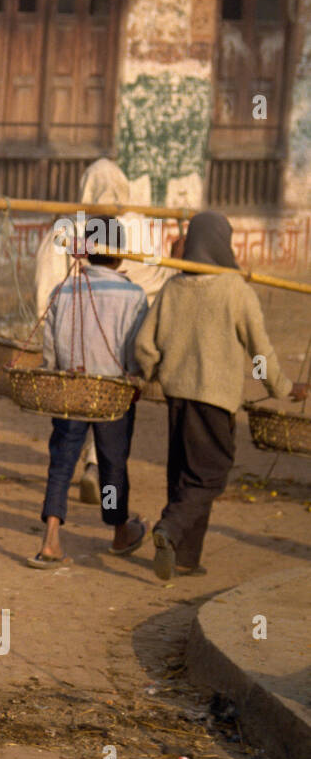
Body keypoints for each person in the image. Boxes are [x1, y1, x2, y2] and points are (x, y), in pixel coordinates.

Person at [134, 211, 308, 580]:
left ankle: (185, 558)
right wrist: (280, 387)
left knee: (183, 474)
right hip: (214, 400)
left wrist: (148, 374)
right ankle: (170, 528)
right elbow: (257, 352)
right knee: (210, 477)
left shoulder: (172, 289)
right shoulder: (235, 291)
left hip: (178, 397)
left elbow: (145, 345)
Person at [33, 159, 175, 504]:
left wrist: (48, 336)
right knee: (111, 407)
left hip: (75, 333)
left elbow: (45, 284)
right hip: (124, 334)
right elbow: (160, 281)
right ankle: (104, 487)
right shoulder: (140, 228)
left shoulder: (67, 228)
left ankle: (53, 524)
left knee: (72, 413)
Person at [30, 219, 149, 569]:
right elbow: (136, 351)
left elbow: (50, 351)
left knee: (62, 465)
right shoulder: (134, 295)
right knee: (112, 466)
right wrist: (134, 375)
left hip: (71, 390)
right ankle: (118, 531)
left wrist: (56, 370)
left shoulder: (62, 292)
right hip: (112, 394)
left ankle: (51, 537)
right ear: (118, 257)